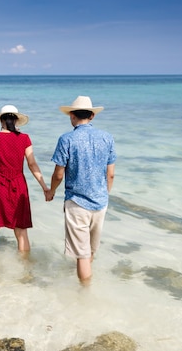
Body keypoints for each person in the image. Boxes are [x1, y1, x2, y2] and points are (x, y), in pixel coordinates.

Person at [46, 96, 116, 284]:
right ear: (92, 116)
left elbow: (58, 174)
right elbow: (110, 175)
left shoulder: (66, 139)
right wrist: (104, 194)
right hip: (101, 202)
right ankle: (86, 285)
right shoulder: (107, 138)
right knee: (90, 251)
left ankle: (84, 296)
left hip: (77, 202)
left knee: (82, 255)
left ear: (71, 115)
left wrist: (51, 191)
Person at [0, 104, 49, 253]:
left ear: (1, 120)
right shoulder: (24, 138)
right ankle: (24, 268)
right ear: (16, 121)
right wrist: (45, 187)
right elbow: (32, 164)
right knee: (21, 230)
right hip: (18, 185)